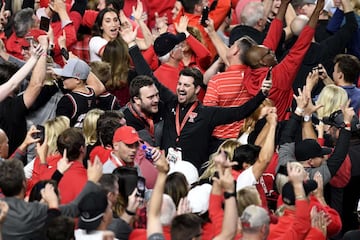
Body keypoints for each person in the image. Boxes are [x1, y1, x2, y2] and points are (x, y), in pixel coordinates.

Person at [123, 28, 271, 171]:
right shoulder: (170, 103)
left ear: (197, 89)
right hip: (166, 169)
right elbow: (148, 76)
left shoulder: (207, 113)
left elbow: (240, 112)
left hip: (192, 175)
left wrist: (261, 95)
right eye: (180, 84)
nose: (181, 88)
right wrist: (132, 45)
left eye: (186, 85)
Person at [0, 157, 103, 239]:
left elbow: (45, 192)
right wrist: (92, 182)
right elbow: (74, 209)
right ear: (24, 184)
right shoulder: (35, 211)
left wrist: (58, 174)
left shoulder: (29, 210)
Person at [54, 58, 105, 127]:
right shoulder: (91, 93)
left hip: (72, 136)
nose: (61, 79)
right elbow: (99, 86)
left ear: (77, 80)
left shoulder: (67, 100)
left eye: (65, 77)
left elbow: (60, 128)